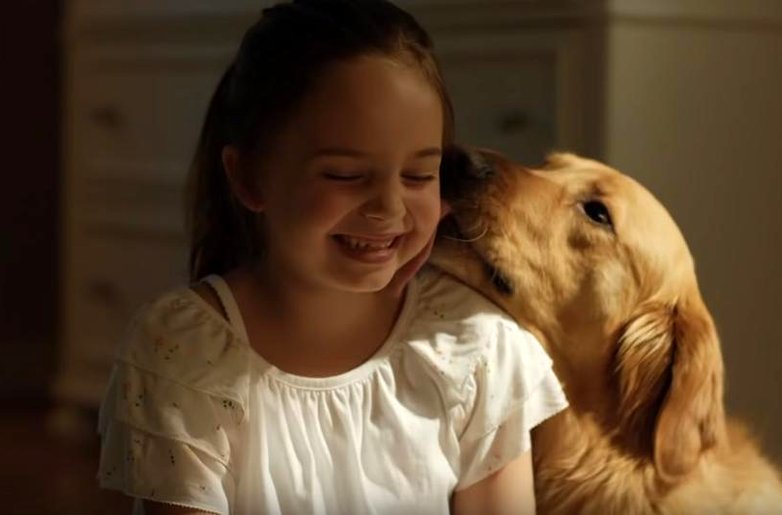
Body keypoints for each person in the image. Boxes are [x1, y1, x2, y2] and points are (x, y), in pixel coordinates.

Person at [96, 1, 568, 513]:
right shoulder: (184, 355)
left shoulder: (475, 349)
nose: (390, 208)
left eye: (418, 177)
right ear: (250, 177)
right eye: (345, 176)